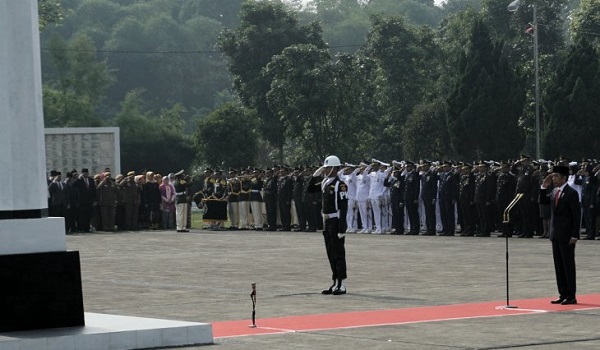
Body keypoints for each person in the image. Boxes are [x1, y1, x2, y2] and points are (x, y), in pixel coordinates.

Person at [540, 165, 581, 305]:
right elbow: (543, 202)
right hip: (555, 235)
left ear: (564, 178)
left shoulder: (571, 193)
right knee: (559, 265)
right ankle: (562, 293)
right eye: (553, 176)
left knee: (568, 266)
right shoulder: (554, 192)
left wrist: (575, 235)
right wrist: (544, 188)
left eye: (556, 176)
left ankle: (571, 295)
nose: (554, 179)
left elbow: (576, 215)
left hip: (567, 235)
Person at [308, 155, 349, 295]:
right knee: (330, 253)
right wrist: (315, 175)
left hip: (336, 221)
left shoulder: (340, 184)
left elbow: (344, 207)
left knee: (338, 253)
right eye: (324, 168)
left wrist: (342, 228)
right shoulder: (325, 182)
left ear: (335, 169)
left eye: (327, 168)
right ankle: (334, 281)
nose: (325, 171)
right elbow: (310, 189)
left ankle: (341, 283)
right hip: (327, 221)